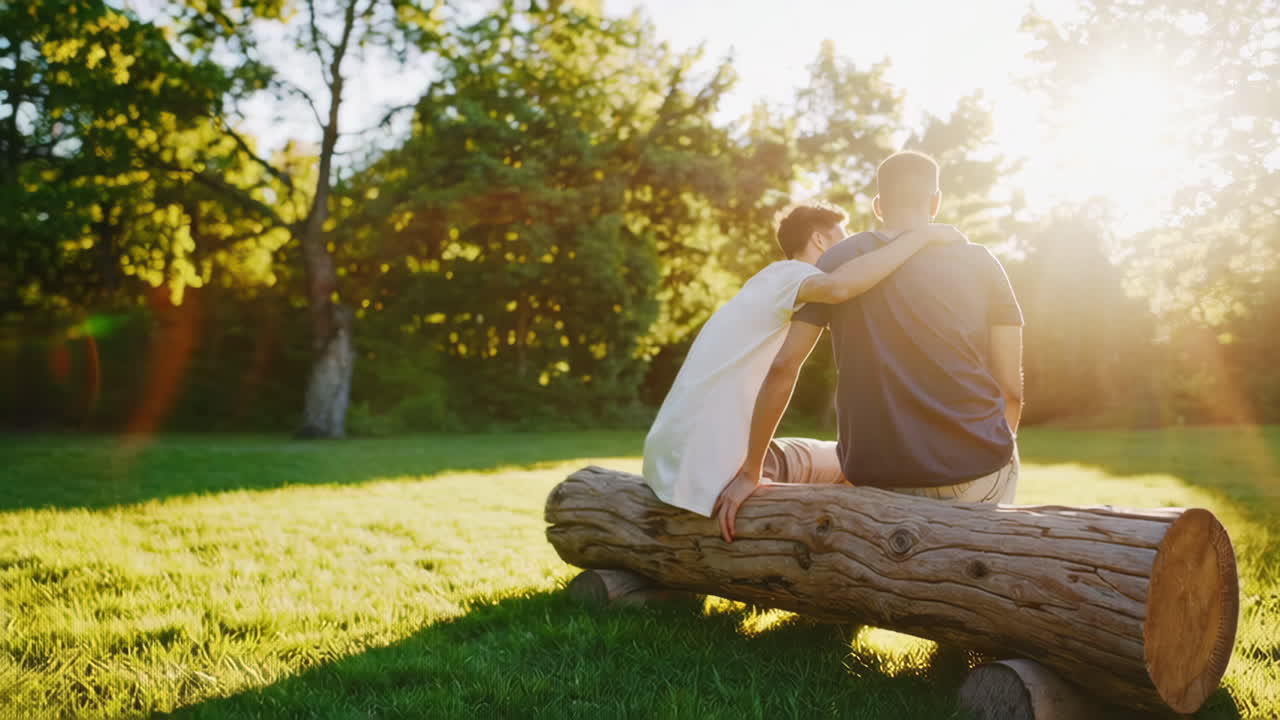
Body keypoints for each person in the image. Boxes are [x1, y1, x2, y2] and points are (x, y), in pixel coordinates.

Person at [715, 151, 1024, 542]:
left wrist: (750, 473)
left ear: (879, 207)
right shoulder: (982, 262)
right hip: (977, 470)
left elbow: (784, 366)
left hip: (877, 475)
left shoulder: (840, 259)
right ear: (935, 202)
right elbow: (1011, 391)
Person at [642, 202, 965, 518]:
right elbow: (838, 288)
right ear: (819, 240)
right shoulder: (791, 275)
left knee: (839, 455)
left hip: (671, 458)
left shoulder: (763, 286)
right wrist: (920, 237)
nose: (851, 245)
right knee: (865, 464)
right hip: (708, 468)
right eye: (845, 234)